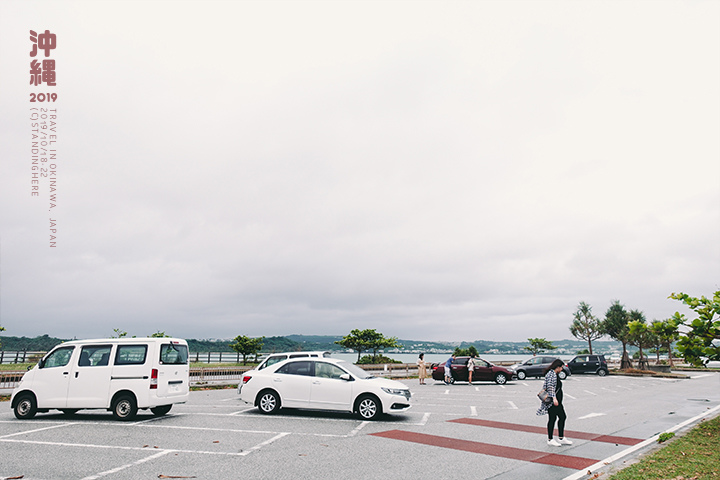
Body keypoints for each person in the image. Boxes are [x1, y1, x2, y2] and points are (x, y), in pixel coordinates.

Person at [536, 359, 572, 446]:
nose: (562, 369)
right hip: (552, 402)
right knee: (554, 418)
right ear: (558, 367)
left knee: (560, 417)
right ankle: (551, 439)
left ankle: (560, 437)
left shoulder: (554, 374)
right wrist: (554, 398)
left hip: (557, 401)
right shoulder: (551, 374)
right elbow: (550, 387)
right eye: (561, 367)